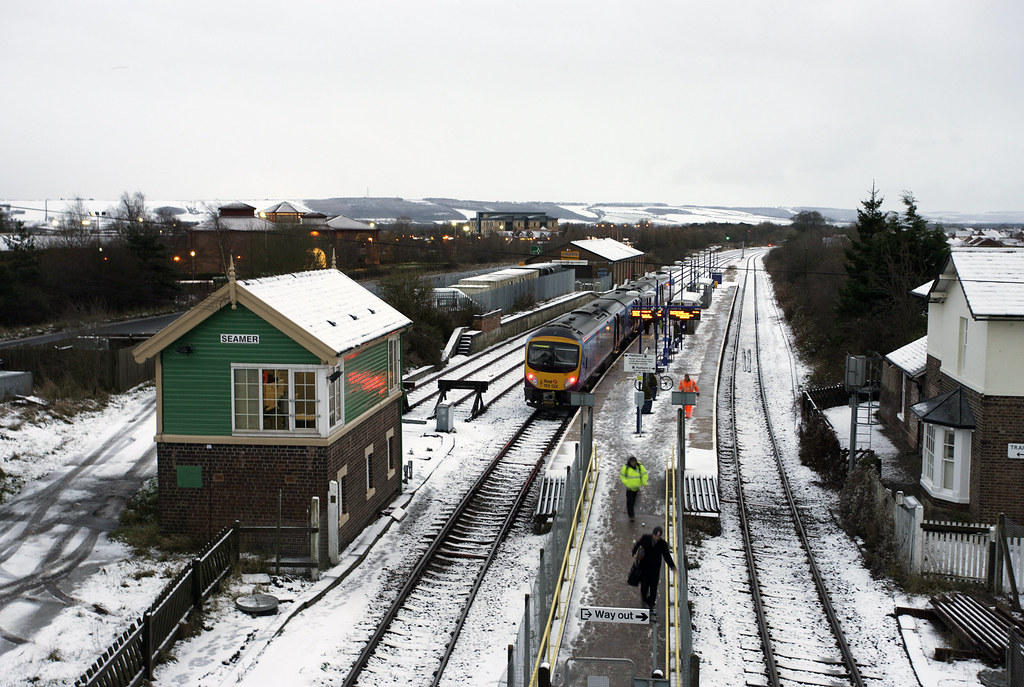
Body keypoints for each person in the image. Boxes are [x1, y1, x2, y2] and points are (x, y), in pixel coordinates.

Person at [632, 526, 676, 619]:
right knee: (644, 587)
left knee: (653, 588)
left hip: (655, 570)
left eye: (658, 537)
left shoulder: (662, 544)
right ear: (653, 534)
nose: (656, 538)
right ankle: (644, 600)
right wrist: (634, 553)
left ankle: (651, 605)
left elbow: (666, 556)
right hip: (644, 568)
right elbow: (637, 546)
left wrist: (672, 566)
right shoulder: (645, 538)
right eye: (655, 536)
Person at [618, 456, 648, 521]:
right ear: (630, 462)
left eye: (634, 462)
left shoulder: (640, 467)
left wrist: (644, 483)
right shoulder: (626, 468)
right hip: (629, 489)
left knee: (633, 501)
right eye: (632, 462)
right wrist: (626, 482)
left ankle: (631, 510)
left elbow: (644, 475)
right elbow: (622, 475)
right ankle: (631, 515)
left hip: (636, 488)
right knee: (629, 501)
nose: (633, 463)